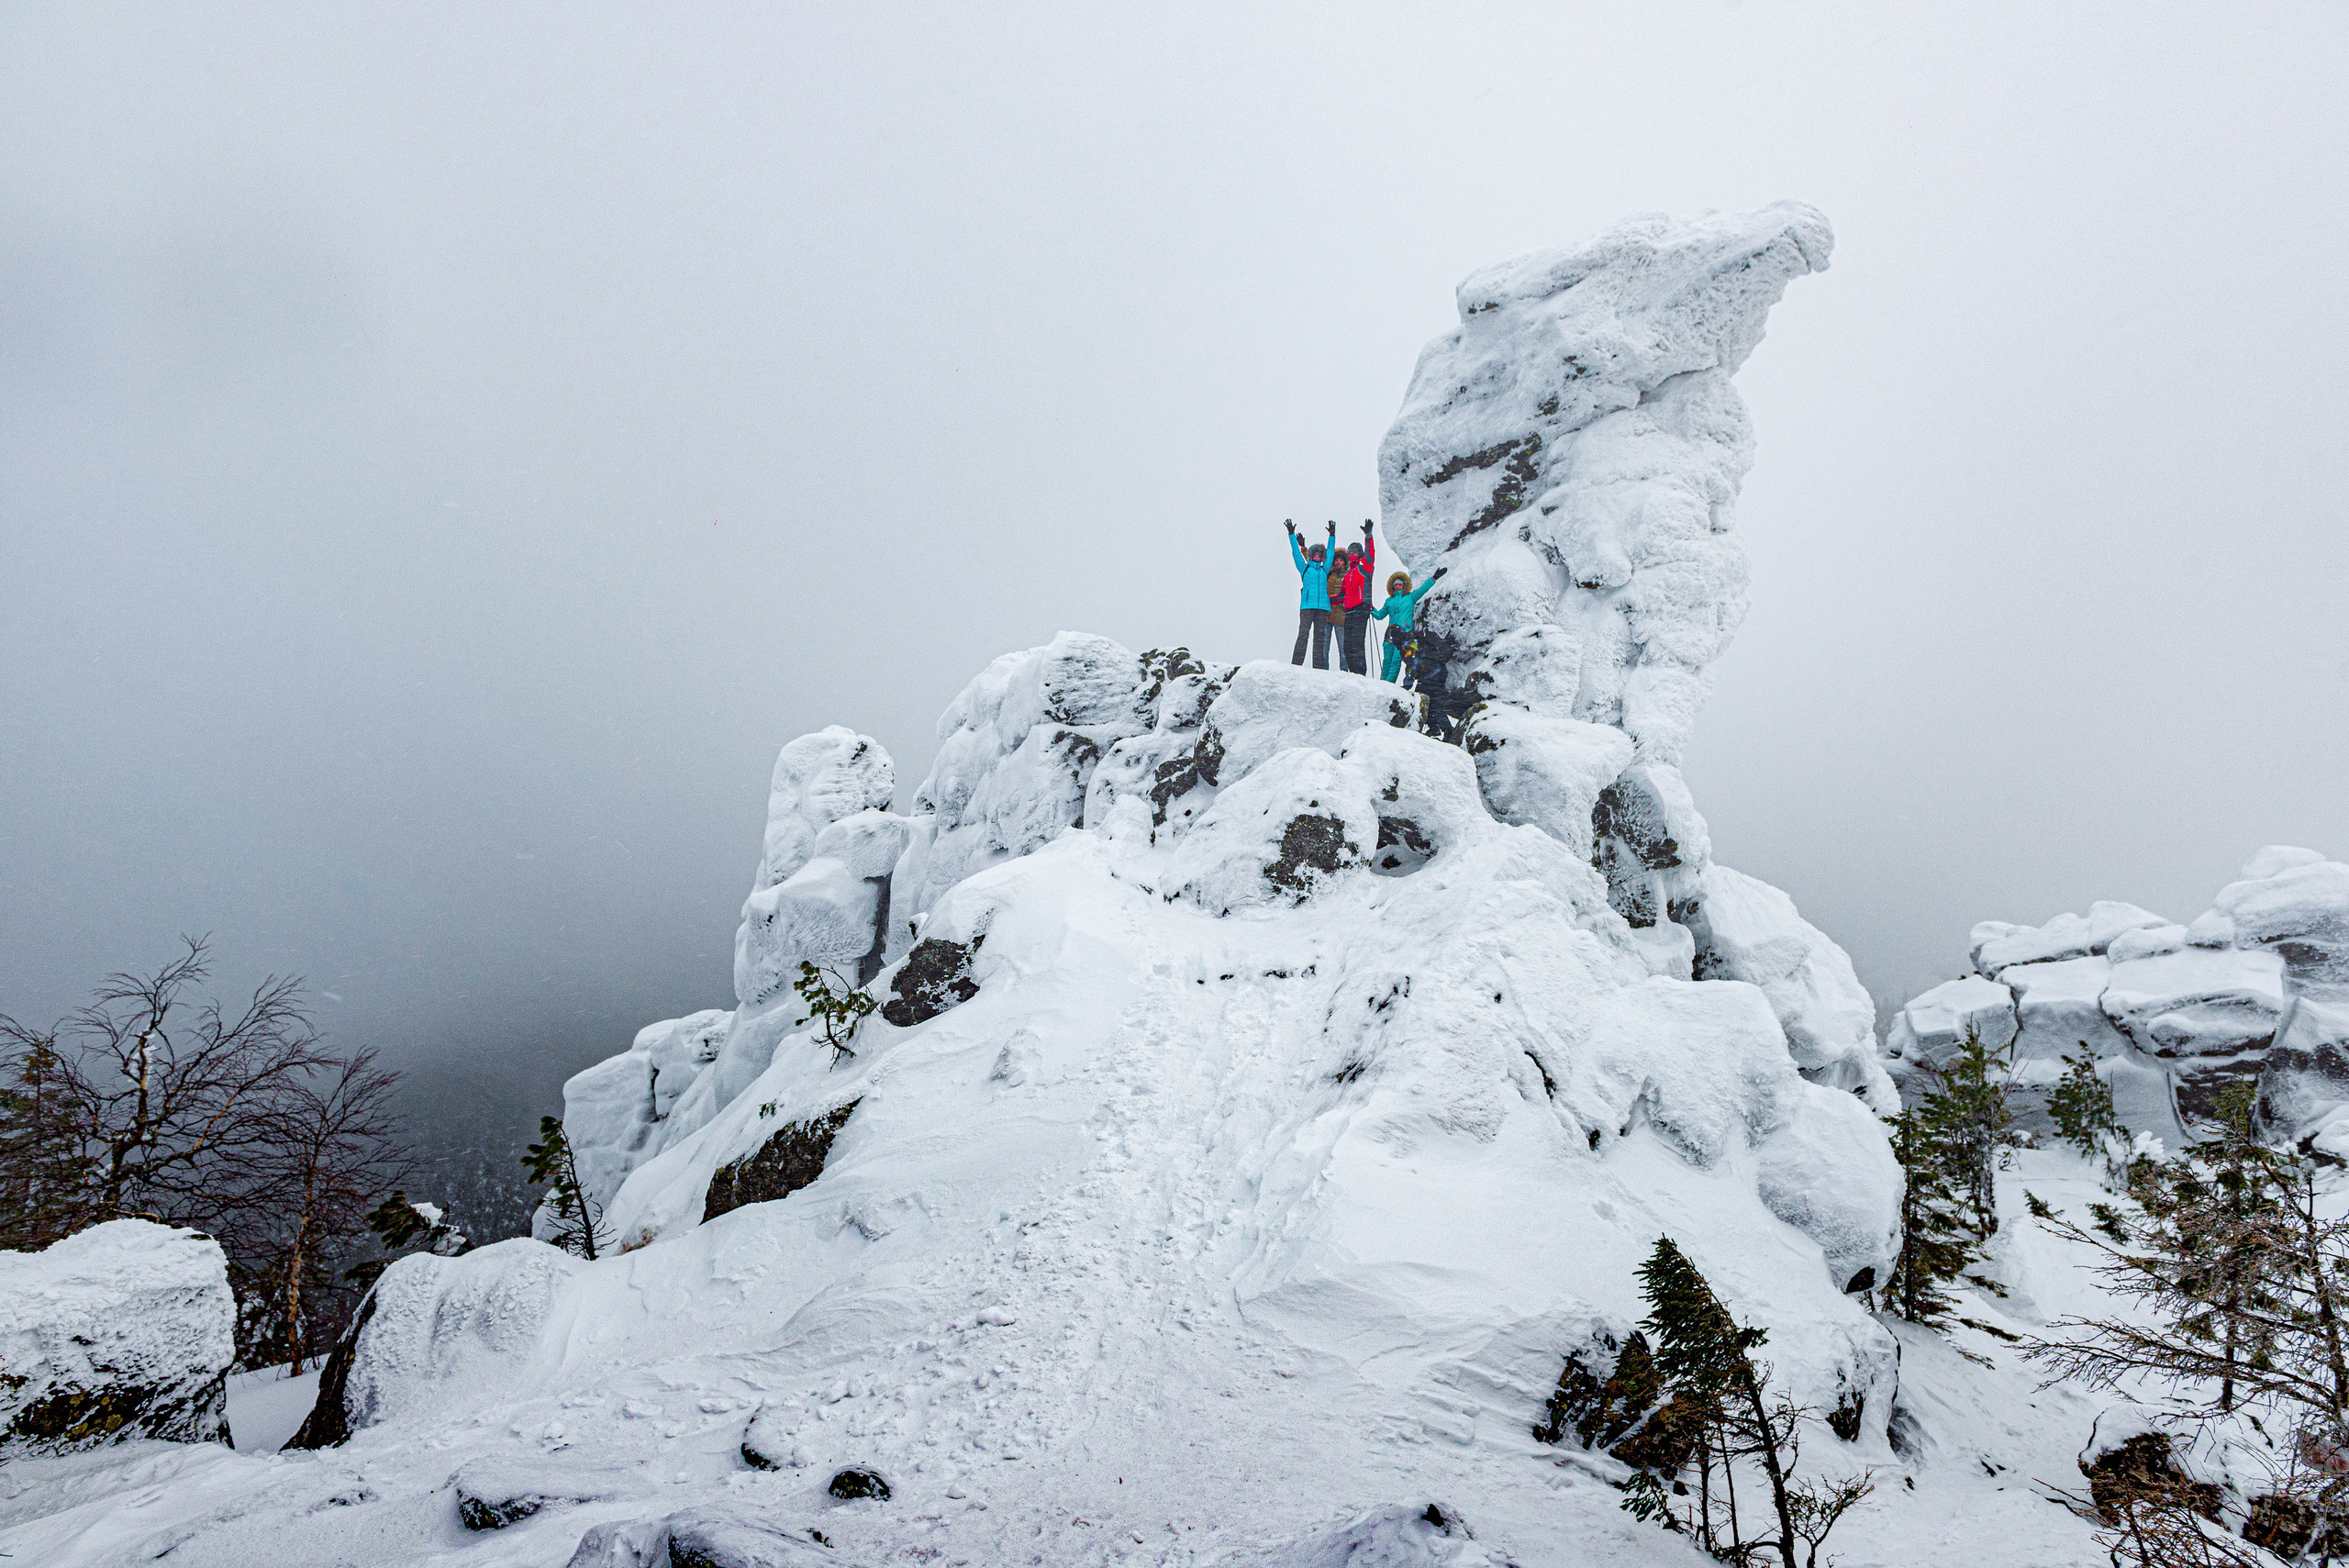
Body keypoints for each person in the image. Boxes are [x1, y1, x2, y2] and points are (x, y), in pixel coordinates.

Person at [1371, 565, 1447, 684]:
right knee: (1387, 660)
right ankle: (1382, 683)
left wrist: (1433, 578)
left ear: (1404, 586)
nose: (1397, 586)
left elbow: (1423, 589)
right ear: (1392, 586)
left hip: (1404, 634)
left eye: (1399, 584)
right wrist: (1371, 608)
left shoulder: (1410, 598)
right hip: (1390, 634)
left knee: (1396, 660)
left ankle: (1388, 684)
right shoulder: (1389, 601)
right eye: (1395, 585)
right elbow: (1380, 615)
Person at [1285, 519, 1339, 669]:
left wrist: (1332, 535)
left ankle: (1318, 668)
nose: (1316, 558)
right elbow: (1296, 553)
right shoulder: (1304, 568)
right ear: (1310, 556)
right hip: (1307, 607)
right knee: (1303, 635)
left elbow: (1331, 552)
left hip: (1322, 608)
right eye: (1314, 555)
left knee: (1320, 638)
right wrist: (1291, 534)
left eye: (1318, 556)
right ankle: (1296, 665)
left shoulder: (1324, 569)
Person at [1337, 520, 1375, 674]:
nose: (1351, 554)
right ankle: (1354, 673)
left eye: (1354, 551)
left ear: (1359, 553)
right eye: (1350, 551)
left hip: (1361, 608)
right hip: (1350, 611)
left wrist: (1368, 536)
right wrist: (1326, 600)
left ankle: (1360, 673)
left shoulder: (1363, 566)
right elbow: (1342, 595)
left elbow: (1371, 554)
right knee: (1348, 645)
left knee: (1357, 643)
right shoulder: (1348, 574)